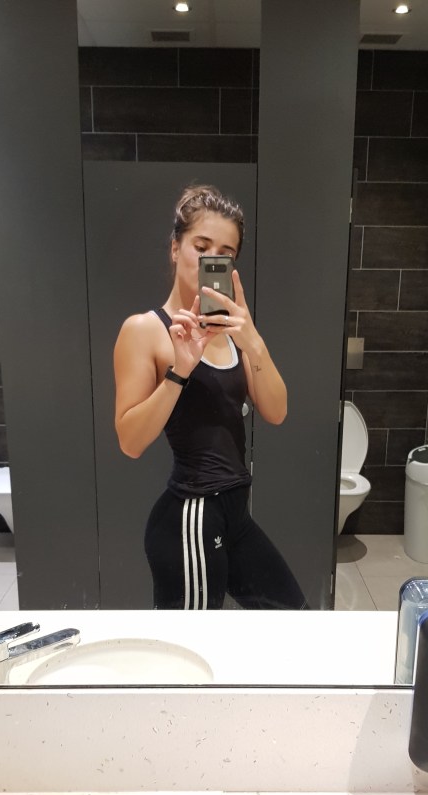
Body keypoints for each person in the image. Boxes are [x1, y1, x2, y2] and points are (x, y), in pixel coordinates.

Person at [113, 184, 307, 610]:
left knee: (294, 619)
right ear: (175, 248)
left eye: (224, 253)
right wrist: (179, 371)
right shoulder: (145, 330)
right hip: (192, 516)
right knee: (193, 645)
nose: (210, 260)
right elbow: (130, 441)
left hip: (235, 516)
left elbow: (276, 411)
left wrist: (253, 341)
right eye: (200, 247)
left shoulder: (234, 331)